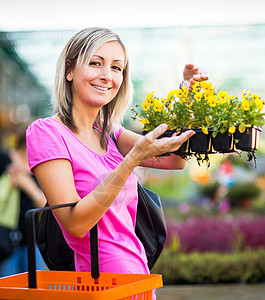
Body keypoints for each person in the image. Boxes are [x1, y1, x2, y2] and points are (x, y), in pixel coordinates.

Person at [26, 27, 208, 287]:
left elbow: (174, 159)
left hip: (137, 277)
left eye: (116, 68)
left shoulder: (107, 131)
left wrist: (187, 97)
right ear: (69, 69)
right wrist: (130, 161)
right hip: (98, 285)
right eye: (95, 63)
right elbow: (75, 224)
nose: (106, 76)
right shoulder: (46, 133)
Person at [0, 126, 47, 277]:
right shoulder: (4, 160)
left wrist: (27, 185)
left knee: (34, 285)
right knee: (7, 285)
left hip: (33, 238)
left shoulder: (42, 166)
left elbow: (46, 205)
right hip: (6, 235)